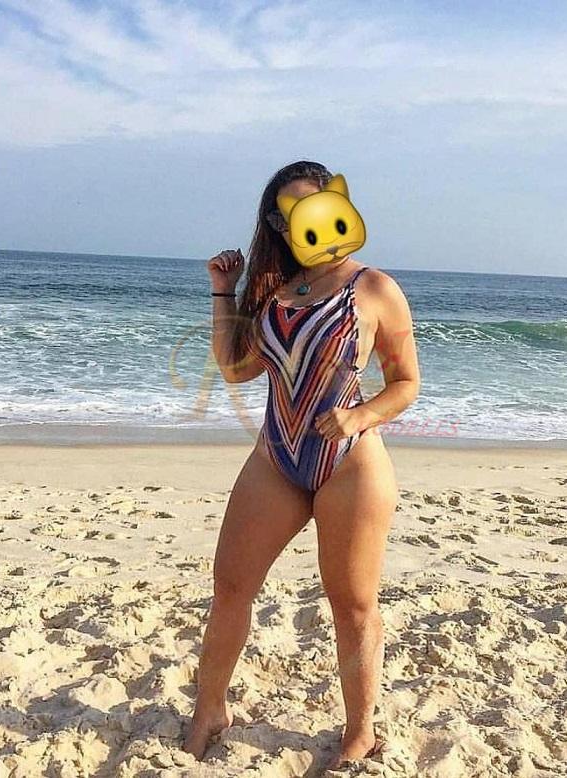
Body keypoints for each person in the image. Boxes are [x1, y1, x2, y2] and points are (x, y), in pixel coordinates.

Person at [184, 160, 420, 770]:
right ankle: (210, 709)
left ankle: (360, 731)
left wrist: (360, 416)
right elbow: (235, 370)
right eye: (285, 212)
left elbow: (406, 383)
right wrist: (223, 290)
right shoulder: (274, 293)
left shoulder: (373, 288)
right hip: (276, 458)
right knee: (230, 586)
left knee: (352, 604)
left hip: (351, 466)